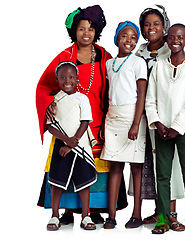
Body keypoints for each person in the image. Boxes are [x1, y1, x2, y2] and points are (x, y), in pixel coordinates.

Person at [36, 5, 128, 226]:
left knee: (94, 166)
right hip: (68, 124)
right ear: (74, 32)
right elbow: (44, 86)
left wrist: (112, 118)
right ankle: (67, 210)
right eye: (81, 29)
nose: (86, 33)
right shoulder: (65, 57)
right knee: (66, 163)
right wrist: (49, 104)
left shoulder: (104, 55)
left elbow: (114, 87)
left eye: (90, 29)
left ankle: (94, 210)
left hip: (97, 118)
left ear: (96, 32)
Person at [128, 5, 185, 231]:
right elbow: (150, 98)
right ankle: (161, 217)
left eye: (179, 37)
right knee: (160, 174)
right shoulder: (156, 64)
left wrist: (177, 126)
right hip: (157, 126)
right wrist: (158, 123)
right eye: (147, 24)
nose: (175, 40)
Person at [100, 21, 147, 229]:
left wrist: (136, 123)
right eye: (125, 36)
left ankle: (136, 214)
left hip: (132, 117)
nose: (129, 40)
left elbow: (141, 95)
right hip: (113, 117)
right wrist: (104, 121)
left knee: (136, 167)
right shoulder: (109, 63)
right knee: (115, 165)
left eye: (133, 37)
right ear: (117, 38)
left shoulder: (138, 63)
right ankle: (111, 216)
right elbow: (108, 94)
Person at [46, 61, 97, 231]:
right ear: (57, 79)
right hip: (61, 145)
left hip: (79, 144)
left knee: (84, 181)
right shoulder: (54, 99)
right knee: (57, 181)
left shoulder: (82, 98)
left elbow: (85, 122)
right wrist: (66, 141)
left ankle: (85, 215)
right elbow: (50, 125)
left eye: (70, 77)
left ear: (76, 78)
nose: (67, 80)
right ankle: (54, 215)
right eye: (62, 77)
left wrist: (72, 142)